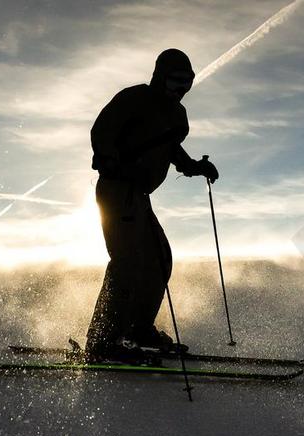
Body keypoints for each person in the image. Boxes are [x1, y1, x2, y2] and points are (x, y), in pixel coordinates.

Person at [85, 48, 219, 361]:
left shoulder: (176, 115)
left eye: (186, 83)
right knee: (127, 263)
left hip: (139, 197)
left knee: (159, 259)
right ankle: (104, 341)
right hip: (118, 190)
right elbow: (101, 131)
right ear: (160, 76)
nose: (180, 89)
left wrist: (196, 166)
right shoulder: (134, 99)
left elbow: (171, 149)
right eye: (174, 81)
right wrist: (111, 163)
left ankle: (137, 329)